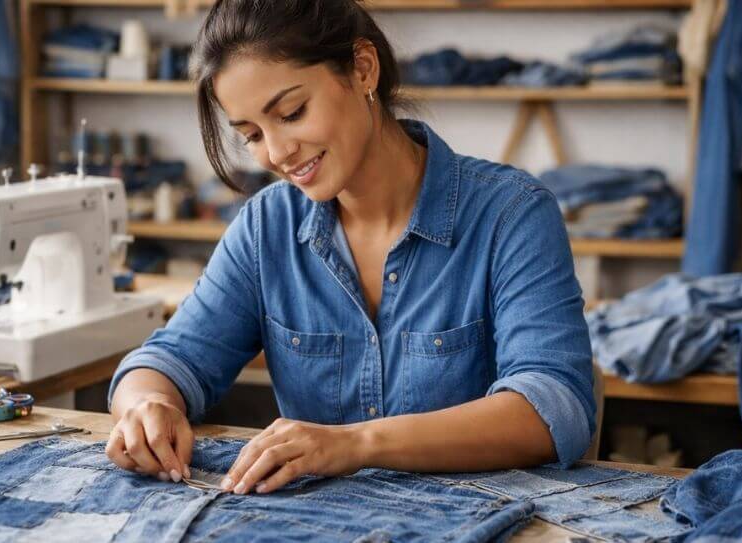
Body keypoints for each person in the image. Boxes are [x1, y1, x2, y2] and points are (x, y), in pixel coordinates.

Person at [107, 0, 595, 496]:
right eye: (252, 134)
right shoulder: (265, 226)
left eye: (292, 113)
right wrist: (148, 406)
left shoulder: (511, 214)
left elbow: (553, 408)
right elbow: (170, 360)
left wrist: (355, 444)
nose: (276, 154)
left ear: (363, 69)